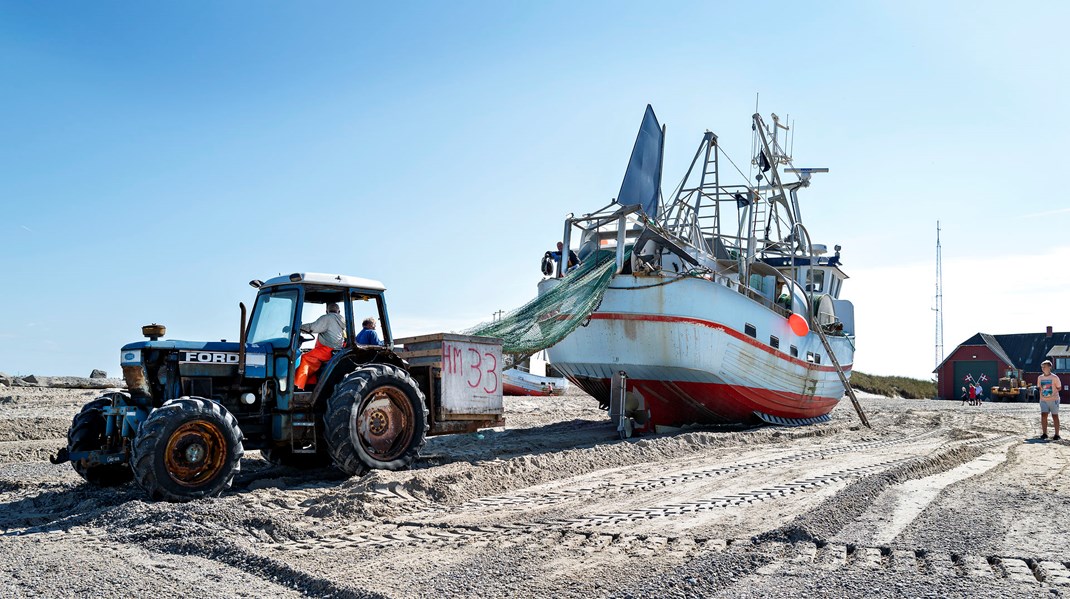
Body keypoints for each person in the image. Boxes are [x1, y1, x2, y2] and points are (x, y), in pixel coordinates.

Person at [294, 303, 344, 391]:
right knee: (313, 359)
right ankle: (310, 385)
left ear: (327, 311)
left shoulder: (327, 318)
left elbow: (312, 327)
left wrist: (298, 328)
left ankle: (297, 386)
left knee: (305, 358)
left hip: (327, 350)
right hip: (337, 349)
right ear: (339, 311)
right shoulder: (342, 320)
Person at [1037, 360, 1062, 440]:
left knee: (1055, 416)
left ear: (1049, 367)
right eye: (1042, 367)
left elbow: (1059, 387)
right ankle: (1044, 434)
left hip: (1054, 400)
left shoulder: (1055, 377)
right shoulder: (1040, 377)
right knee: (1043, 415)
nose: (1043, 368)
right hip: (1043, 400)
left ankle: (1057, 434)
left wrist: (1052, 393)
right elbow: (1039, 387)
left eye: (1045, 366)